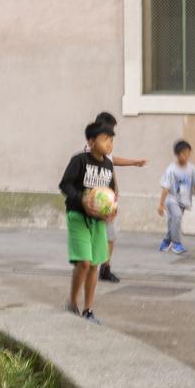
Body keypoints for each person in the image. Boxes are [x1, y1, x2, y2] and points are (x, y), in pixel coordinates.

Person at [60, 122, 116, 325]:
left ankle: (88, 309)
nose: (109, 144)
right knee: (83, 262)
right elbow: (64, 184)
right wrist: (82, 199)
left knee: (94, 264)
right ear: (91, 142)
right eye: (105, 139)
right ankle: (72, 302)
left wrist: (112, 208)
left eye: (111, 140)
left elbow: (109, 192)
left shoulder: (108, 166)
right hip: (77, 216)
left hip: (98, 221)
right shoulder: (79, 161)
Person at [90, 112, 146, 283]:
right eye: (110, 130)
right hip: (99, 201)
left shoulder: (104, 149)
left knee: (109, 237)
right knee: (104, 236)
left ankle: (103, 268)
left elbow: (112, 161)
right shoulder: (93, 150)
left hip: (108, 201)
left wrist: (133, 162)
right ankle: (97, 268)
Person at [157, 140, 195, 254]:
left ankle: (167, 240)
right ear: (177, 155)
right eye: (184, 153)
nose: (186, 156)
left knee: (174, 222)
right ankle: (176, 244)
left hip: (184, 201)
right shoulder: (171, 169)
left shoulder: (192, 169)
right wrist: (161, 204)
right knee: (177, 217)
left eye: (188, 153)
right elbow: (166, 187)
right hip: (171, 199)